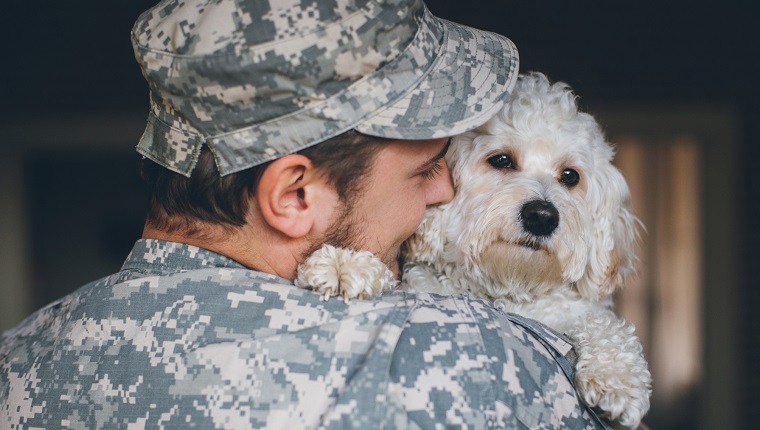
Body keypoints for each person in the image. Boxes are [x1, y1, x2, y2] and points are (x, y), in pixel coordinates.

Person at [0, 0, 608, 428]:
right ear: (295, 197)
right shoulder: (471, 355)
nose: (445, 193)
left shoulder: (14, 363)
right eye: (424, 171)